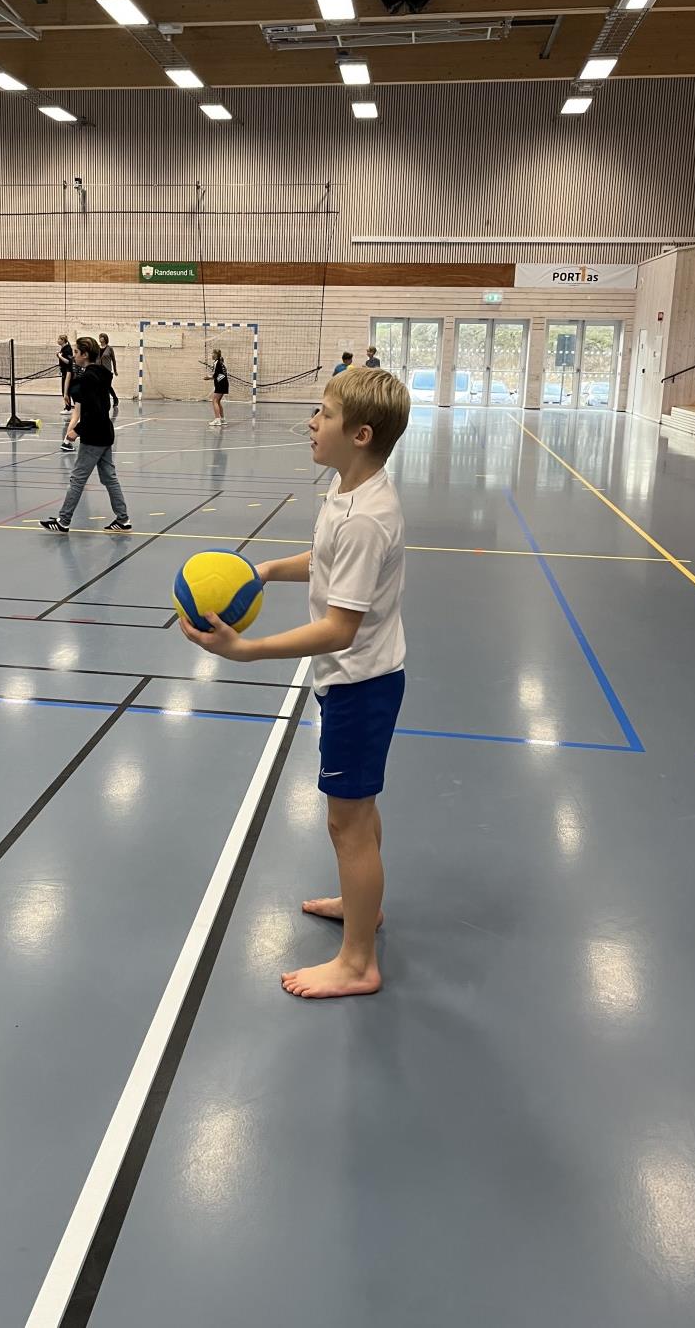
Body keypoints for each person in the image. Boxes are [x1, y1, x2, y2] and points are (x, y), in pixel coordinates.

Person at [179, 367, 411, 999]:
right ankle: (364, 907)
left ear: (360, 434)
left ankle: (358, 963)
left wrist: (247, 650)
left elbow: (339, 628)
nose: (311, 422)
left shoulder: (365, 519)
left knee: (347, 824)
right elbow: (324, 561)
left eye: (324, 413)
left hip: (360, 685)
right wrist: (263, 570)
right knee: (359, 811)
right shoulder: (349, 490)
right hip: (357, 681)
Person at [40, 337, 132, 534]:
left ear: (85, 354)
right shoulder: (101, 374)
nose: (73, 355)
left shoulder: (89, 378)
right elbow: (101, 406)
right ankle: (123, 519)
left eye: (76, 352)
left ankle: (63, 520)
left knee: (77, 479)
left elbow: (95, 410)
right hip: (105, 433)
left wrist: (77, 430)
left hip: (94, 436)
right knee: (109, 478)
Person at [98, 333, 120, 410]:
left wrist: (115, 370)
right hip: (99, 370)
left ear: (105, 339)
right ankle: (105, 401)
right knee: (101, 387)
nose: (100, 338)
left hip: (107, 370)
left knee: (107, 386)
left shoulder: (110, 348)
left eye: (102, 337)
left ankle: (114, 399)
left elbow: (113, 360)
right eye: (100, 337)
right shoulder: (97, 348)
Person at [209, 348, 230, 427]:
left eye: (212, 353)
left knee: (214, 401)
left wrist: (208, 377)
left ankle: (217, 420)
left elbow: (215, 375)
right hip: (224, 384)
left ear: (215, 355)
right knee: (217, 401)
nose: (211, 355)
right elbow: (219, 373)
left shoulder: (217, 363)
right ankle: (222, 419)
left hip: (221, 384)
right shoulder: (220, 363)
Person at [56, 334, 75, 412]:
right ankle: (69, 406)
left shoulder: (67, 349)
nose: (57, 340)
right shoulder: (63, 349)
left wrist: (60, 356)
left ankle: (68, 408)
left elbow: (68, 362)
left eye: (59, 339)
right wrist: (58, 356)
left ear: (63, 340)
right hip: (64, 372)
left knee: (65, 391)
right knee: (66, 390)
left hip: (68, 373)